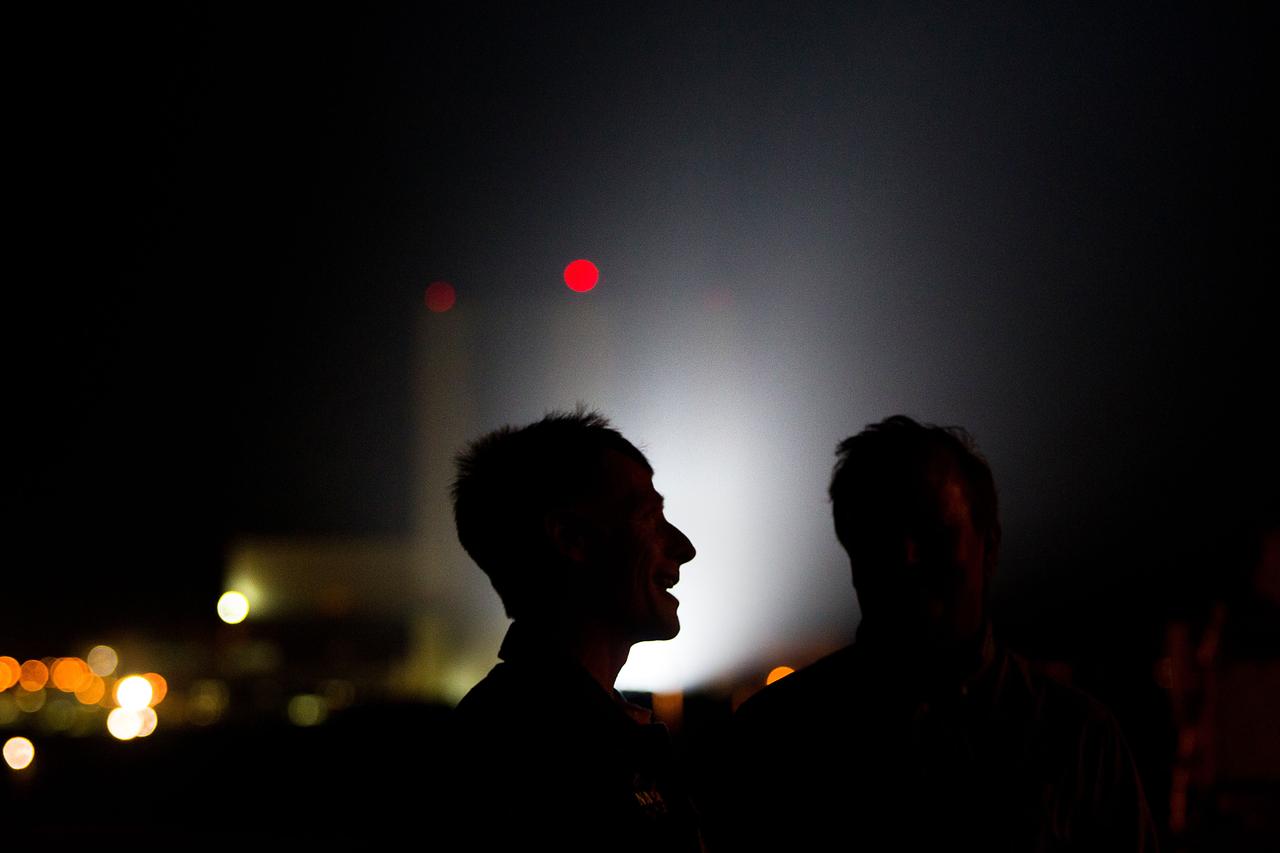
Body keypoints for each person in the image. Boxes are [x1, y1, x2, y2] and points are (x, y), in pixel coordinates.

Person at [723, 415, 1158, 852]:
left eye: (933, 532)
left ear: (989, 547)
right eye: (881, 536)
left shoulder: (776, 732)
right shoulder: (1076, 737)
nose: (907, 558)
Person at [450, 409, 703, 851]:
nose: (684, 548)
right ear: (572, 540)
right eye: (650, 516)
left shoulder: (520, 731)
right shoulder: (526, 753)